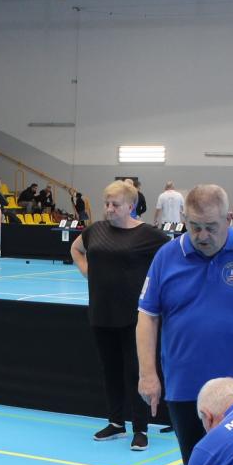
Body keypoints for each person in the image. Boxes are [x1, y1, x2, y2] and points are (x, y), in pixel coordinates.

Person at [137, 184, 233, 465]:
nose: (202, 236)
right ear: (184, 218)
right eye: (194, 226)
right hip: (184, 386)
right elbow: (147, 315)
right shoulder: (166, 256)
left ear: (228, 220)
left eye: (211, 226)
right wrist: (147, 373)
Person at [70, 181, 169, 450]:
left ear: (130, 206)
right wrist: (86, 270)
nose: (109, 209)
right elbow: (76, 249)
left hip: (134, 317)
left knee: (136, 371)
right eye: (107, 204)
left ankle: (141, 428)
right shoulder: (95, 230)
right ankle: (116, 422)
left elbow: (172, 257)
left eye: (115, 205)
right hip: (101, 313)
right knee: (110, 369)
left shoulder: (149, 235)